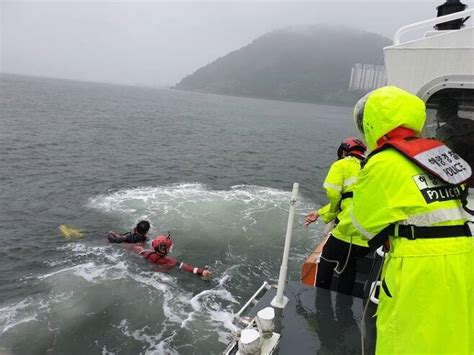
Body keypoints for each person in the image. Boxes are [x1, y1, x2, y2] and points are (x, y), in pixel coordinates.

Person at [351, 86, 473, 354]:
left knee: (405, 337)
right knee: (453, 332)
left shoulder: (383, 162)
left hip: (419, 262)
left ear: (372, 122)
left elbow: (362, 224)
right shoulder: (437, 152)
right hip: (464, 254)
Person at [304, 137, 370, 295]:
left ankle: (321, 306)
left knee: (327, 262)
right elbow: (348, 198)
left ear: (344, 152)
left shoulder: (341, 165)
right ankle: (343, 307)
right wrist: (319, 213)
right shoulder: (371, 167)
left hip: (349, 231)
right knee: (349, 266)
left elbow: (334, 196)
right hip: (369, 236)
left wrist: (330, 214)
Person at [129, 234, 213, 279]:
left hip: (144, 267)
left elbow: (133, 248)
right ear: (166, 250)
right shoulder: (170, 261)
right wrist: (202, 272)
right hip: (159, 271)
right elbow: (186, 267)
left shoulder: (146, 253)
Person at [436, 97, 474, 187]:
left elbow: (441, 153)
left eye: (438, 109)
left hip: (458, 171)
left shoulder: (444, 130)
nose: (437, 113)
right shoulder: (470, 123)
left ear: (444, 110)